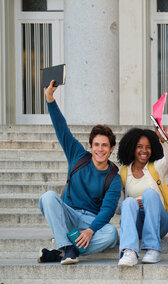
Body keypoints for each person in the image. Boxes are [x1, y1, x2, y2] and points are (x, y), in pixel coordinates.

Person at [38, 80, 122, 265]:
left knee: (111, 234)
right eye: (97, 145)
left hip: (91, 221)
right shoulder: (77, 155)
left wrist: (91, 230)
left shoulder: (114, 178)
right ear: (91, 146)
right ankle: (67, 248)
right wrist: (50, 99)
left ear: (111, 149)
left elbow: (107, 211)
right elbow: (62, 129)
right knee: (48, 197)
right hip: (68, 214)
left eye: (105, 145)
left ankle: (62, 252)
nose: (100, 149)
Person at [116, 127, 168, 266]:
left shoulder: (156, 167)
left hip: (160, 222)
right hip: (137, 224)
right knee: (129, 202)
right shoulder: (123, 172)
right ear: (131, 148)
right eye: (139, 147)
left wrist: (163, 139)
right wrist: (135, 204)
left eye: (148, 147)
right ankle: (129, 251)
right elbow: (119, 208)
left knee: (149, 194)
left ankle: (153, 249)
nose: (144, 151)